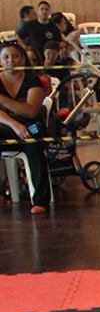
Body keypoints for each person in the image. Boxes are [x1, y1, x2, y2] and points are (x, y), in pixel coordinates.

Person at [0, 42, 50, 213]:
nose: (10, 60)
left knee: (33, 146)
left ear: (22, 59)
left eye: (15, 56)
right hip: (7, 128)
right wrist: (14, 124)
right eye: (5, 57)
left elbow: (30, 111)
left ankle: (40, 200)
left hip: (30, 127)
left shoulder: (32, 80)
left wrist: (3, 100)